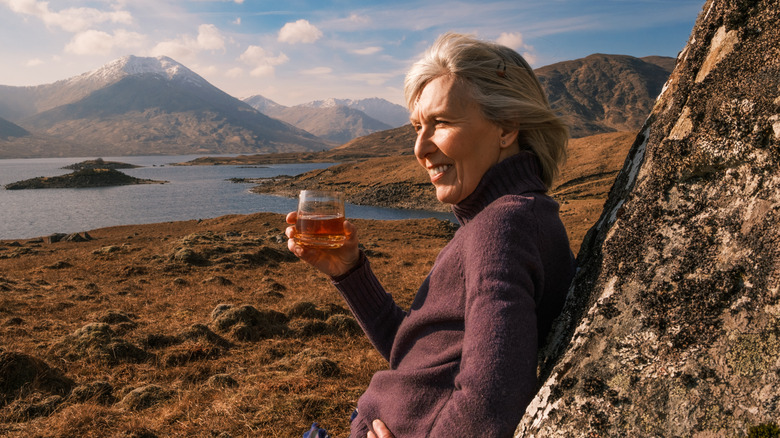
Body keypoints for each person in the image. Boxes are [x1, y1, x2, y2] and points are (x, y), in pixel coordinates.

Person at [287, 32, 576, 438]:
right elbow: (420, 359)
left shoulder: (503, 227)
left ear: (507, 127)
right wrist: (349, 271)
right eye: (417, 127)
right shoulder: (505, 220)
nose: (421, 148)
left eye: (440, 123)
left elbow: (489, 404)